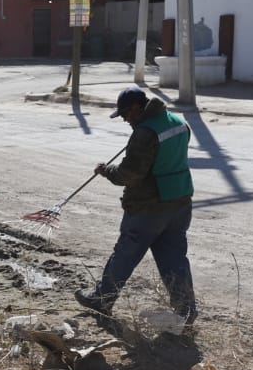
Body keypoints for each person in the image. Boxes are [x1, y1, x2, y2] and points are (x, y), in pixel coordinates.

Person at [76, 85, 197, 325]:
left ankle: (102, 299)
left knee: (125, 254)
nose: (124, 119)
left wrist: (106, 171)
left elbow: (129, 174)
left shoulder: (145, 133)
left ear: (136, 107)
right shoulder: (178, 122)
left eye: (125, 114)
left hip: (148, 208)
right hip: (180, 204)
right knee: (174, 259)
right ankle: (186, 310)